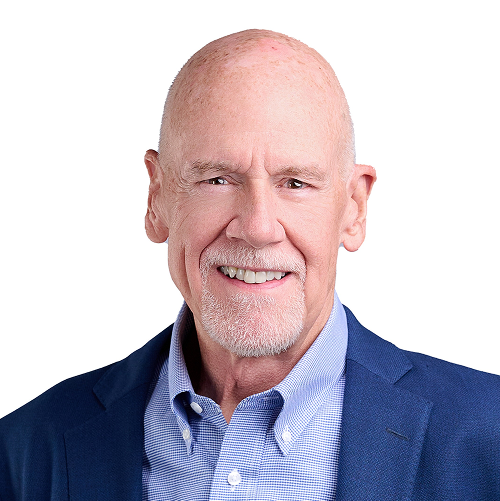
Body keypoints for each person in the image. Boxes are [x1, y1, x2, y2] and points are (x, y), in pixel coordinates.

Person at [1, 28, 499, 501]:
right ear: (157, 198)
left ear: (354, 208)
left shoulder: (488, 438)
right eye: (217, 180)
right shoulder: (26, 450)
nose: (258, 227)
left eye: (296, 183)